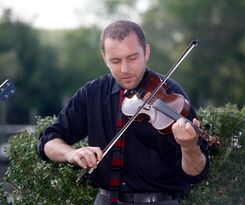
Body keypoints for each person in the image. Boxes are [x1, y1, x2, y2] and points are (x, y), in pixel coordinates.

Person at [38, 20, 209, 205]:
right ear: (104, 58)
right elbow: (48, 140)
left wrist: (189, 146)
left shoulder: (172, 96)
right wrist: (70, 153)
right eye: (115, 61)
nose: (125, 69)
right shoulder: (92, 93)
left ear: (147, 52)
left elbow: (197, 173)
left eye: (132, 58)